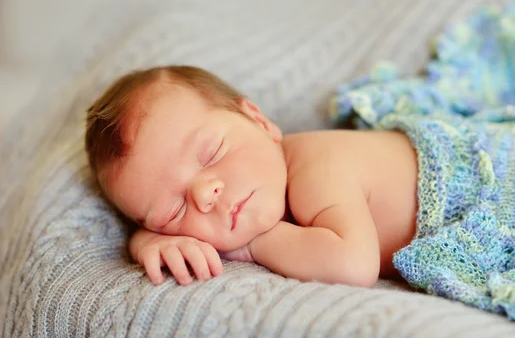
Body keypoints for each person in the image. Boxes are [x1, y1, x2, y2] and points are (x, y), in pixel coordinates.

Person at [85, 65, 419, 287]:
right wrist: (145, 241)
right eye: (174, 211)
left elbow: (353, 266)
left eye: (213, 153)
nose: (204, 195)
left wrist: (251, 246)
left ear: (258, 121)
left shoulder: (317, 168)